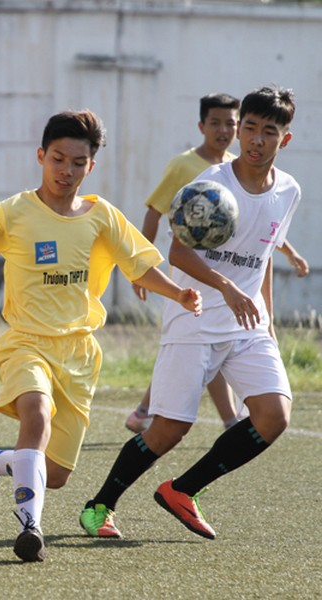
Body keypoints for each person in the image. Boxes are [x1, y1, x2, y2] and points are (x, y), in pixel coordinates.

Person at [0, 110, 202, 562]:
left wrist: (178, 293)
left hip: (79, 354)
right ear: (41, 156)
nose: (66, 170)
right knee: (36, 417)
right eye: (58, 159)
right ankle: (30, 528)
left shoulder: (102, 217)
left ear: (90, 166)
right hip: (27, 343)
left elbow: (139, 266)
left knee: (54, 474)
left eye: (78, 162)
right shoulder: (14, 211)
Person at [79, 85, 299, 541]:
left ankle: (182, 490)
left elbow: (265, 256)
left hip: (248, 326)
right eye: (250, 128)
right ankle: (99, 505)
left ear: (285, 139)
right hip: (195, 319)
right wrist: (227, 287)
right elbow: (178, 253)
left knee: (274, 416)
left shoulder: (288, 191)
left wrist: (269, 320)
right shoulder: (210, 185)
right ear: (240, 131)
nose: (257, 140)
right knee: (168, 430)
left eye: (269, 132)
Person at [126, 93, 308, 434]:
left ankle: (223, 420)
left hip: (238, 316)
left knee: (266, 410)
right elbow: (156, 215)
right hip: (196, 303)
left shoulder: (272, 180)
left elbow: (263, 240)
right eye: (216, 123)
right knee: (172, 422)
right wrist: (143, 268)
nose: (224, 130)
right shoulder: (195, 171)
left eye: (229, 123)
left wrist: (288, 256)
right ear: (202, 126)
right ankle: (149, 410)